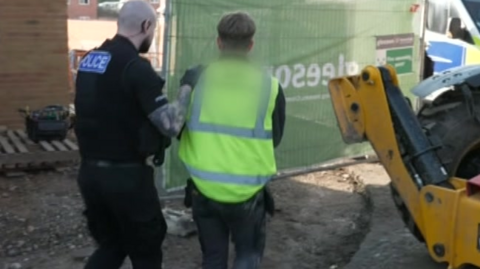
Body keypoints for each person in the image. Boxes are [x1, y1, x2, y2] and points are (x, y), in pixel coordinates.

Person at [73, 1, 201, 268]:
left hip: (90, 175)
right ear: (146, 26)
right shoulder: (136, 68)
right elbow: (171, 125)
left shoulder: (90, 60)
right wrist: (187, 86)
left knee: (112, 246)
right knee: (146, 252)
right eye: (152, 29)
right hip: (127, 180)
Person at [178, 11, 286, 269]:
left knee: (213, 259)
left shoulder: (195, 80)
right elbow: (275, 137)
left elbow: (179, 127)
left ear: (218, 42)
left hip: (203, 189)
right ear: (251, 45)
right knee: (247, 257)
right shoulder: (269, 87)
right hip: (248, 193)